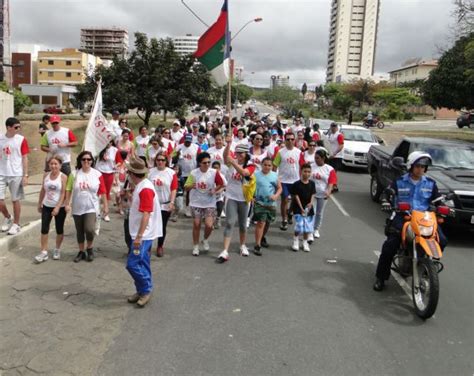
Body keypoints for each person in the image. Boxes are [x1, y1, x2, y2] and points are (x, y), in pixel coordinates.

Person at [373, 152, 447, 291]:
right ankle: (381, 277)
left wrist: (444, 207)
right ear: (411, 166)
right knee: (390, 246)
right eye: (418, 166)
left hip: (423, 218)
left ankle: (426, 268)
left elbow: (438, 200)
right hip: (403, 216)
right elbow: (387, 194)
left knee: (442, 240)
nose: (421, 169)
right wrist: (385, 201)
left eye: (423, 167)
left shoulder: (431, 184)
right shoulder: (399, 181)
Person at [125, 157, 162, 308]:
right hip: (140, 232)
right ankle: (141, 289)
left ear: (133, 173)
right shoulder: (141, 186)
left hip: (143, 234)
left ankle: (146, 289)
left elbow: (146, 213)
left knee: (132, 264)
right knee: (143, 262)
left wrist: (139, 237)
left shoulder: (145, 189)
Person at [65, 151, 109, 263]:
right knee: (79, 231)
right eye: (84, 159)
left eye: (89, 159)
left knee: (89, 229)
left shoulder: (97, 174)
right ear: (80, 161)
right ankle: (81, 251)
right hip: (77, 207)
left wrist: (105, 206)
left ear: (92, 161)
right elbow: (68, 189)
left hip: (91, 207)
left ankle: (89, 248)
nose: (86, 161)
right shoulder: (74, 174)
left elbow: (103, 191)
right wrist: (67, 203)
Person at [217, 137, 256, 263]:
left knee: (243, 224)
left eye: (241, 153)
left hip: (244, 199)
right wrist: (228, 144)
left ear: (246, 155)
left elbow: (245, 173)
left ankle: (242, 245)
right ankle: (224, 250)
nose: (239, 155)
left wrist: (234, 162)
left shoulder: (251, 166)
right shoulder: (231, 162)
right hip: (231, 197)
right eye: (237, 153)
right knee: (229, 223)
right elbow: (225, 156)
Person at [185, 152, 225, 256]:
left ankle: (205, 239)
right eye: (204, 163)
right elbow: (186, 187)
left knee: (209, 225)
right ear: (199, 163)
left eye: (208, 162)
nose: (207, 164)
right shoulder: (194, 173)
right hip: (196, 202)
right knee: (197, 224)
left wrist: (214, 190)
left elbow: (222, 184)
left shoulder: (213, 172)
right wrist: (191, 186)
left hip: (209, 202)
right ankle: (196, 246)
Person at [34, 155, 68, 263]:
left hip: (59, 207)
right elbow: (43, 190)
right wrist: (39, 203)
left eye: (55, 164)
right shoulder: (46, 175)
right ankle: (43, 252)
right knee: (44, 229)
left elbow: (63, 193)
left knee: (59, 229)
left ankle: (57, 249)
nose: (53, 166)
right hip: (47, 205)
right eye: (51, 164)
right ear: (49, 165)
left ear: (60, 165)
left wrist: (58, 207)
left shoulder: (63, 177)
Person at [0, 117, 30, 235]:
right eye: (16, 127)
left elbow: (25, 158)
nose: (18, 129)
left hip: (16, 173)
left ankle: (16, 224)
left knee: (15, 199)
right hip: (2, 172)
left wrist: (25, 175)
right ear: (8, 127)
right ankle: (7, 216)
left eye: (19, 127)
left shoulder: (21, 140)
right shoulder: (0, 139)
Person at [148, 152, 178, 257]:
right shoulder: (150, 172)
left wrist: (172, 202)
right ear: (155, 161)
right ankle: (148, 246)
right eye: (158, 160)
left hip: (165, 204)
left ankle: (160, 246)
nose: (160, 162)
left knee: (162, 226)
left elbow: (173, 188)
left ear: (166, 161)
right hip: (152, 203)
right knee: (150, 225)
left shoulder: (171, 173)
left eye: (162, 160)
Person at [273, 132, 302, 231]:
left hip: (295, 181)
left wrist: (303, 179)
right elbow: (275, 166)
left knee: (295, 201)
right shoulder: (280, 152)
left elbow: (302, 166)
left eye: (292, 139)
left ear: (294, 140)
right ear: (285, 140)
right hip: (283, 181)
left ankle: (290, 212)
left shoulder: (299, 152)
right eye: (288, 139)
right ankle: (284, 220)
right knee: (284, 200)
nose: (290, 141)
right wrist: (273, 179)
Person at [253, 157, 282, 256]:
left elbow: (279, 188)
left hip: (271, 204)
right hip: (259, 203)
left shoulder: (274, 175)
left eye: (269, 165)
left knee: (267, 222)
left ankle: (262, 237)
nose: (267, 167)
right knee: (261, 222)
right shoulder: (256, 175)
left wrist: (276, 196)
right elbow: (250, 187)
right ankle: (257, 245)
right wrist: (252, 197)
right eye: (265, 165)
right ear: (261, 165)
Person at [310, 148, 337, 242]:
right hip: (312, 194)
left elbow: (331, 182)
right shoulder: (311, 166)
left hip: (323, 194)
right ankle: (310, 230)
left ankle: (316, 229)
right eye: (315, 158)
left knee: (319, 213)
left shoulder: (329, 169)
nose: (315, 160)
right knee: (311, 212)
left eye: (317, 158)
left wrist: (328, 191)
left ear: (323, 158)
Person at [290, 163, 316, 252]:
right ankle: (296, 240)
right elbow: (296, 196)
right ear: (301, 171)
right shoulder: (297, 184)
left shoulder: (312, 183)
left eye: (309, 172)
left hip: (308, 208)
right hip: (298, 208)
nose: (307, 174)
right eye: (305, 171)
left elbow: (313, 194)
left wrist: (311, 204)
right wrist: (301, 208)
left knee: (307, 227)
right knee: (299, 225)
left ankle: (305, 242)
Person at [96, 141, 123, 222]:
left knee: (106, 193)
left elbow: (119, 161)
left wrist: (115, 165)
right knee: (97, 192)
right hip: (98, 172)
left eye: (110, 142)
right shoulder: (99, 147)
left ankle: (105, 213)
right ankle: (96, 212)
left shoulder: (115, 150)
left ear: (112, 143)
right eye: (106, 142)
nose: (108, 144)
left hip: (109, 173)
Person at [174, 134, 200, 217]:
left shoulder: (196, 147)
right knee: (179, 192)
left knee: (189, 192)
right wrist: (177, 155)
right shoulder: (178, 147)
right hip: (180, 173)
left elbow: (199, 159)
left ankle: (188, 208)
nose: (188, 143)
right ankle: (176, 209)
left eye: (189, 141)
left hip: (191, 173)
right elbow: (173, 160)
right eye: (186, 141)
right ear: (184, 140)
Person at [327, 122, 344, 192]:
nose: (333, 128)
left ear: (337, 127)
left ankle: (333, 187)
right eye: (332, 126)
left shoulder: (339, 135)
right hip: (331, 155)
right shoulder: (331, 135)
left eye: (334, 126)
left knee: (333, 171)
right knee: (331, 171)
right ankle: (334, 185)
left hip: (337, 156)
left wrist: (334, 153)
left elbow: (341, 145)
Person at [211, 161, 227, 229]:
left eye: (217, 168)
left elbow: (224, 186)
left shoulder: (222, 176)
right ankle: (212, 223)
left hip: (219, 196)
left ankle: (218, 218)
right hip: (210, 197)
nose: (215, 169)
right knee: (212, 210)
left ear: (219, 168)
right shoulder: (209, 175)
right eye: (214, 168)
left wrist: (218, 191)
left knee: (219, 207)